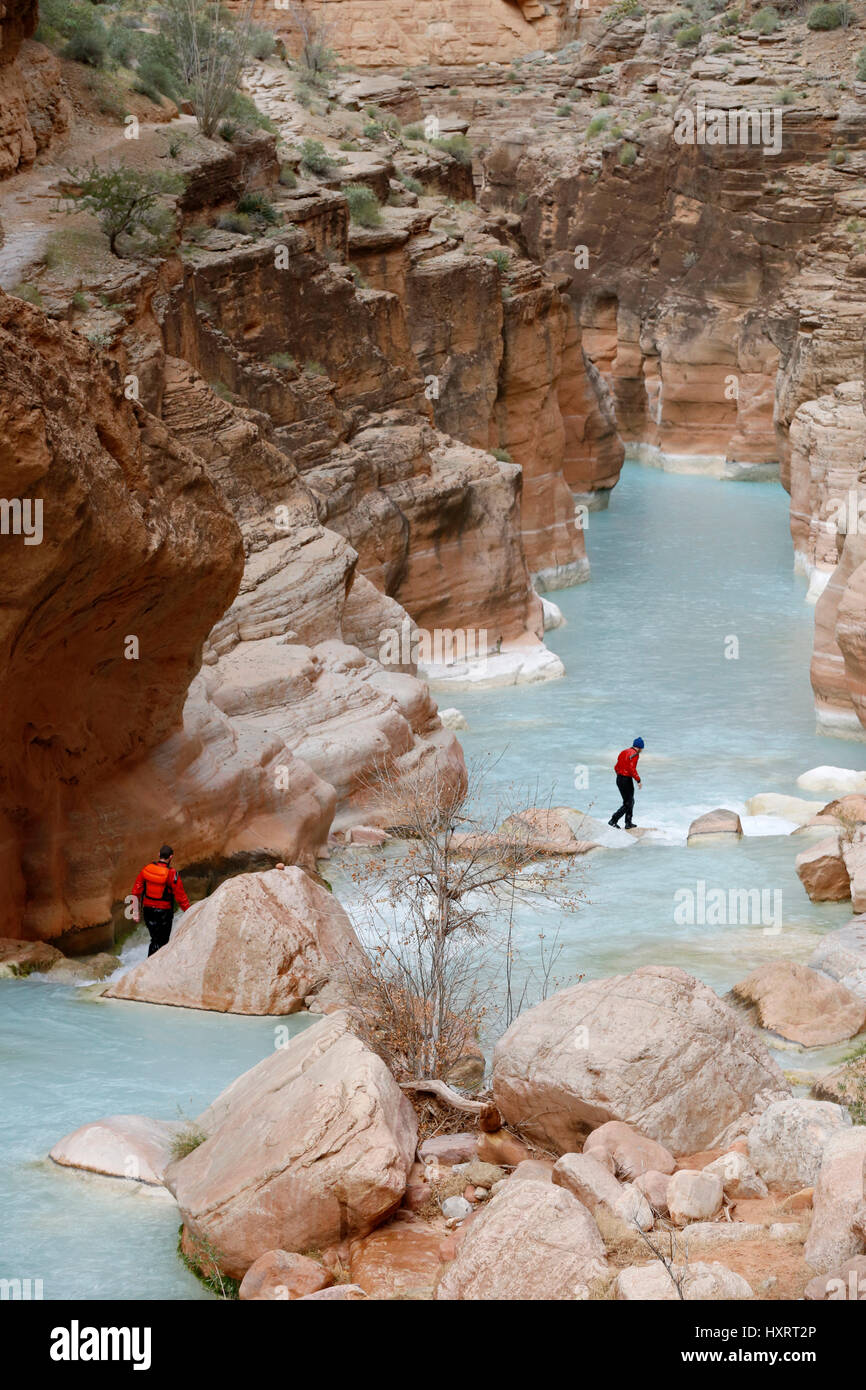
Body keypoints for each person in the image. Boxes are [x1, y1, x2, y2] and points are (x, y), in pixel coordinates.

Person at [132, 845, 190, 956]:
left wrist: (135, 913)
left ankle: (149, 964)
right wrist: (190, 911)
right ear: (171, 857)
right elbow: (181, 897)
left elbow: (135, 892)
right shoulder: (172, 873)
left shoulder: (147, 869)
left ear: (159, 854)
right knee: (162, 942)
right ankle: (153, 966)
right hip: (164, 912)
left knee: (154, 940)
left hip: (148, 911)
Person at [609, 738, 644, 830]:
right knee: (629, 802)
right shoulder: (635, 754)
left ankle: (628, 823)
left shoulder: (623, 752)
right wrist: (638, 780)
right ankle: (613, 820)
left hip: (619, 778)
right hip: (626, 779)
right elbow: (632, 769)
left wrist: (620, 775)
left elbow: (616, 767)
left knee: (629, 801)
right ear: (640, 747)